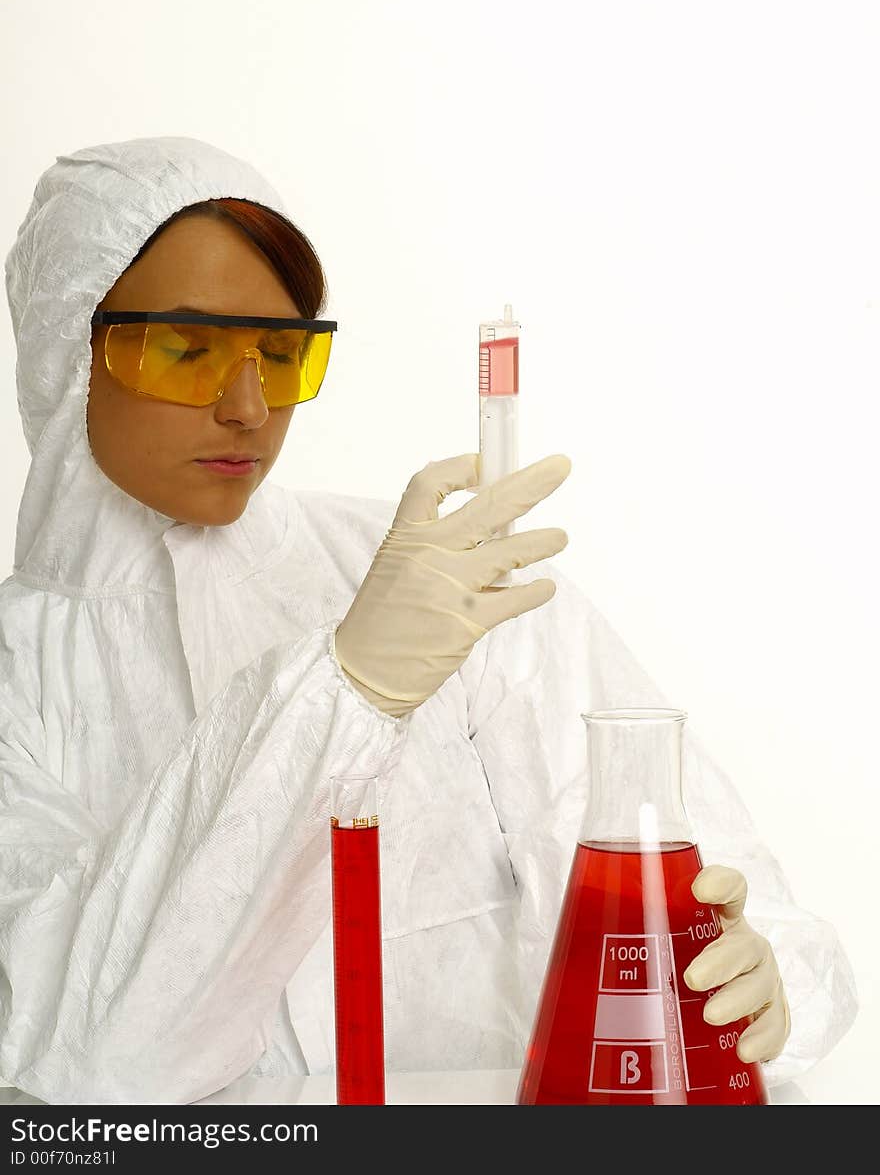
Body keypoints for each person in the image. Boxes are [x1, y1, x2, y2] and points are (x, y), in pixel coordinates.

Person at [0, 136, 856, 1105]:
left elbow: (722, 894)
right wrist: (344, 689)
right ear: (64, 347)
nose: (248, 406)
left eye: (280, 354)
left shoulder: (447, 578)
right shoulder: (17, 676)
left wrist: (758, 981)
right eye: (187, 349)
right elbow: (99, 1058)